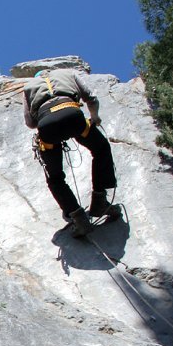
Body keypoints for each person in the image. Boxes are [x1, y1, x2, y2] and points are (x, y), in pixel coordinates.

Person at [23, 68, 121, 237]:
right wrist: (94, 117)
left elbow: (30, 123)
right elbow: (91, 98)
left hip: (47, 126)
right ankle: (99, 200)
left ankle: (78, 217)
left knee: (55, 177)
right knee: (101, 148)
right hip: (72, 116)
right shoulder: (68, 74)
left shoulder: (28, 87)